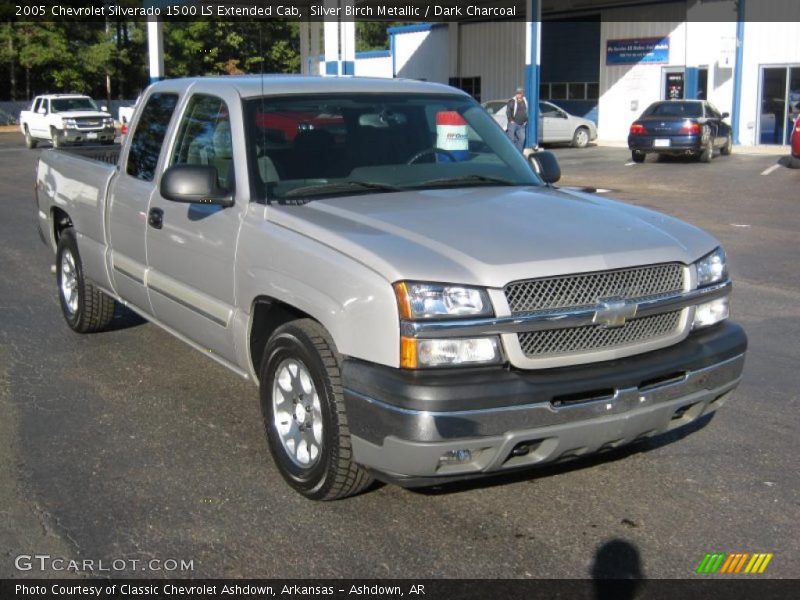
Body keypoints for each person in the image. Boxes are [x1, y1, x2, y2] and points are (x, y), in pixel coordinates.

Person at [506, 86, 528, 153]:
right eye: (517, 93)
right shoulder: (512, 101)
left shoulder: (525, 100)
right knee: (511, 139)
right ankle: (511, 153)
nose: (518, 94)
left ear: (522, 94)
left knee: (522, 139)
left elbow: (526, 110)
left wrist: (526, 120)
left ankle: (518, 153)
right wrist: (510, 120)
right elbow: (508, 111)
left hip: (521, 124)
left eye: (520, 93)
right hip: (513, 124)